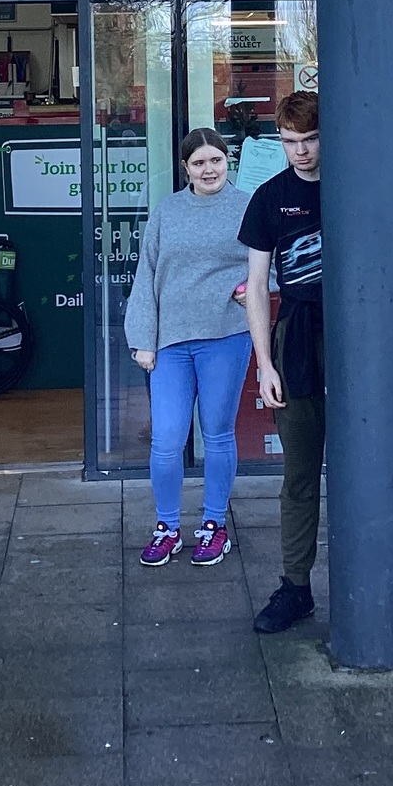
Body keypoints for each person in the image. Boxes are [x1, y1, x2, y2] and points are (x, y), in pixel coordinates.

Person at [125, 128, 253, 568]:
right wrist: (142, 339)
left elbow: (272, 264)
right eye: (199, 163)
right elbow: (147, 274)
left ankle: (214, 525)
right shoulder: (168, 211)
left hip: (226, 336)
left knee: (217, 434)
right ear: (185, 169)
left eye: (216, 160)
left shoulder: (248, 207)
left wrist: (251, 288)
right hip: (170, 343)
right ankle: (167, 527)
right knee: (166, 439)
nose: (209, 169)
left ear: (227, 161)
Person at [240, 92, 326, 633]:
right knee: (299, 475)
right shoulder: (270, 197)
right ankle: (296, 586)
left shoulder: (352, 185)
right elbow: (255, 286)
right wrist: (264, 364)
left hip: (357, 340)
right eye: (290, 142)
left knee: (366, 468)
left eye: (310, 139)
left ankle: (370, 573)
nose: (301, 151)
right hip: (295, 338)